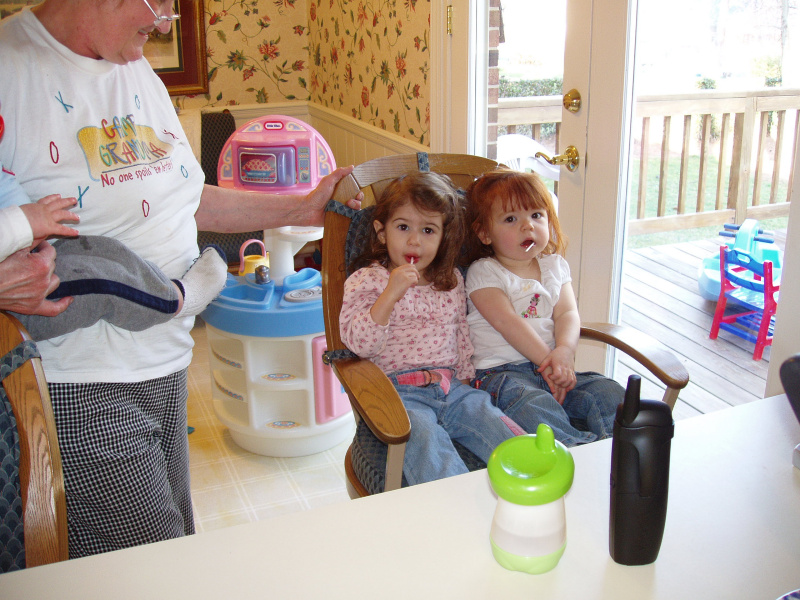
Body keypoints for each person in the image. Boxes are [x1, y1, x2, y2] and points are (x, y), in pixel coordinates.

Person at [0, 0, 361, 559]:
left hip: (167, 363)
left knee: (169, 546)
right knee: (155, 564)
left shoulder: (134, 66)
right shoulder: (10, 68)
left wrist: (304, 206)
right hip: (79, 377)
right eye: (160, 2)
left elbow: (185, 200)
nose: (167, 19)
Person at [339, 172, 521, 486]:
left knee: (496, 425)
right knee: (426, 443)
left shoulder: (450, 281)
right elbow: (360, 344)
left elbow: (460, 334)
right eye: (403, 227)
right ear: (382, 233)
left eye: (428, 230)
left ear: (442, 237)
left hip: (454, 389)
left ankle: (531, 486)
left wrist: (466, 380)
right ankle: (453, 503)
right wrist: (390, 294)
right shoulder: (368, 280)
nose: (415, 241)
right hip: (399, 394)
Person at [462, 168, 623, 446]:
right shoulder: (484, 272)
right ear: (485, 233)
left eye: (536, 215)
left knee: (609, 392)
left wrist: (565, 351)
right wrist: (548, 362)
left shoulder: (555, 266)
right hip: (503, 375)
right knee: (533, 406)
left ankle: (617, 452)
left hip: (554, 367)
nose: (528, 226)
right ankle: (573, 452)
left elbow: (567, 313)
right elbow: (508, 323)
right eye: (511, 219)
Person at [1, 151, 229, 341]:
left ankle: (162, 288)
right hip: (13, 304)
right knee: (99, 281)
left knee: (94, 247)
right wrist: (21, 223)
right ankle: (180, 298)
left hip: (19, 251)